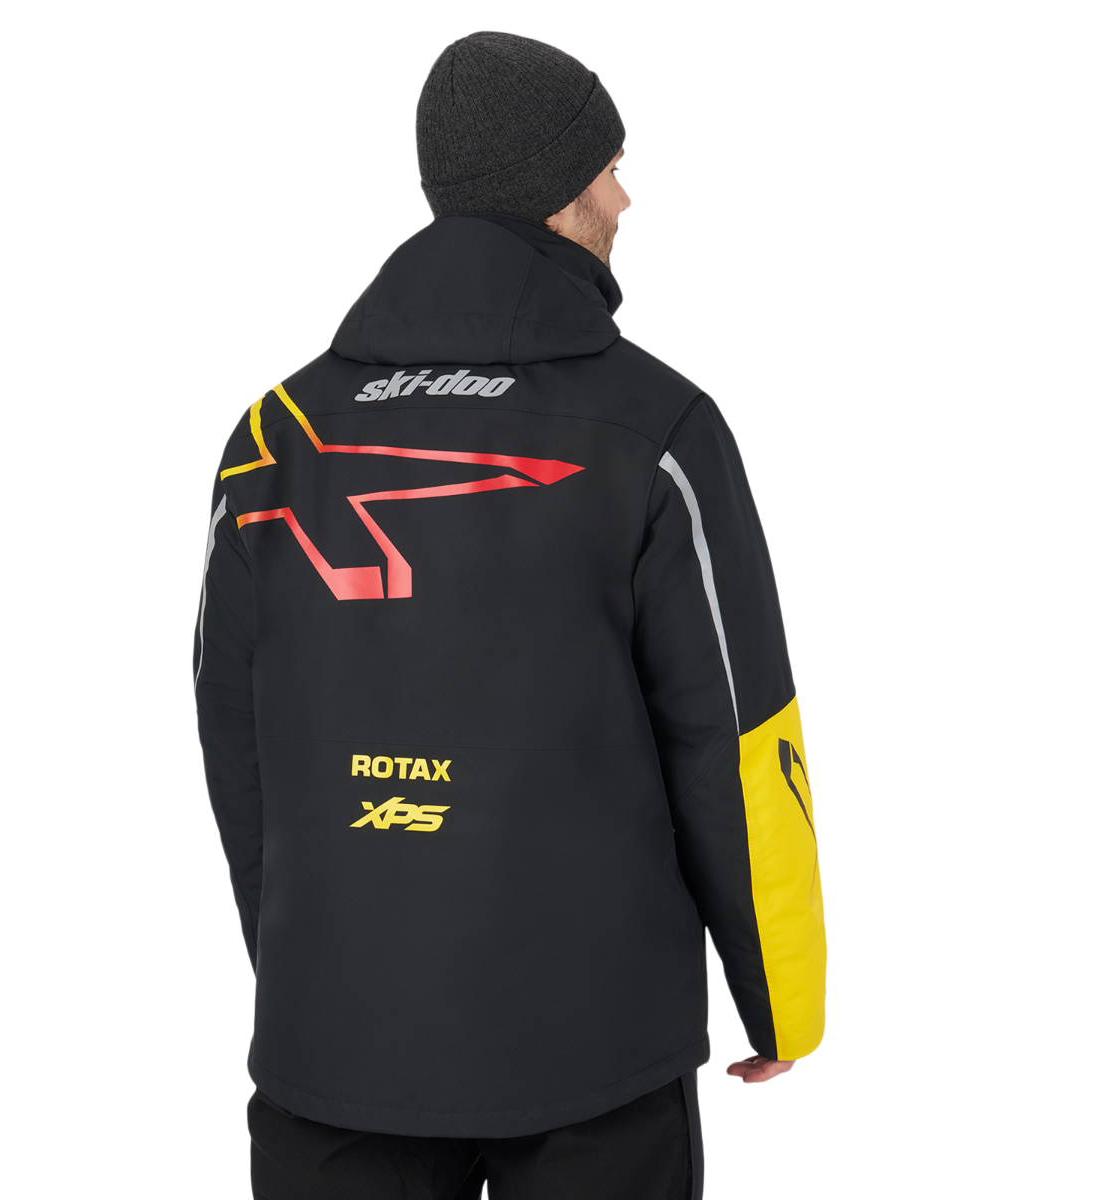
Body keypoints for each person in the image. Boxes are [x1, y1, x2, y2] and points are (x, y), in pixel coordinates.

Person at [192, 28, 827, 1200]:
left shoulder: (271, 434)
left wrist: (299, 964)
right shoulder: (658, 427)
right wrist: (782, 998)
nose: (625, 199)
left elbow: (234, 732)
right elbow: (739, 738)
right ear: (556, 185)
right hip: (591, 1056)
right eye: (613, 169)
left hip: (331, 1047)